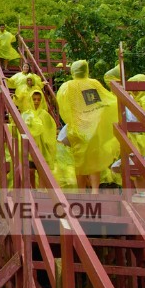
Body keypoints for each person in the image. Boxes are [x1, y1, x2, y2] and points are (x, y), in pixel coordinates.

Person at [57, 60, 117, 193]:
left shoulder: (67, 86)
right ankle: (95, 191)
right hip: (94, 127)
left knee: (79, 160)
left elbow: (64, 108)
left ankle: (81, 191)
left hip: (78, 127)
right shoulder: (94, 83)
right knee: (93, 159)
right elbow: (106, 101)